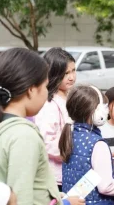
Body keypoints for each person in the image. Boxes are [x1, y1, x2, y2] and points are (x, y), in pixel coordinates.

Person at [0, 48, 84, 205]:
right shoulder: (24, 137)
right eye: (45, 86)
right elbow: (21, 200)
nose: (47, 92)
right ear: (31, 90)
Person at [59, 85, 114, 204]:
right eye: (104, 107)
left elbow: (83, 172)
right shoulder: (98, 144)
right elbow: (106, 187)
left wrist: (107, 172)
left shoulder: (69, 135)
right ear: (96, 111)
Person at [35, 47, 76, 191]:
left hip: (69, 171)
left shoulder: (69, 97)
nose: (71, 77)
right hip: (55, 176)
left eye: (73, 70)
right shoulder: (49, 105)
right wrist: (70, 154)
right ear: (53, 74)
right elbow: (46, 142)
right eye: (66, 73)